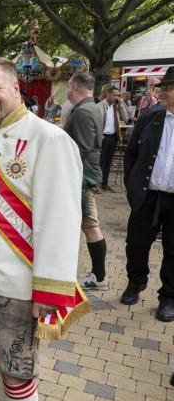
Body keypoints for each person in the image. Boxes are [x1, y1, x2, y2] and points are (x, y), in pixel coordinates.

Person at [0, 57, 88, 401]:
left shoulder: (49, 139)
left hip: (20, 281)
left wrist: (50, 287)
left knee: (17, 370)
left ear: (16, 89)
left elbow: (60, 219)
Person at [121, 66, 174, 322]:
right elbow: (130, 154)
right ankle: (136, 282)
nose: (161, 92)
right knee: (136, 245)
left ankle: (169, 297)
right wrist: (131, 187)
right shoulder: (150, 119)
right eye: (162, 87)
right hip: (147, 197)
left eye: (168, 88)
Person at [65, 72, 109, 290]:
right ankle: (98, 274)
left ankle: (99, 277)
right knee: (89, 224)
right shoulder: (93, 107)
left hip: (83, 177)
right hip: (87, 175)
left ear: (73, 86)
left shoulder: (83, 111)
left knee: (91, 225)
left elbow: (79, 149)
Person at [97, 85, 129, 192]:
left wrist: (121, 105)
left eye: (118, 95)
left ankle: (104, 183)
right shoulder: (100, 106)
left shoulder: (117, 106)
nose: (117, 97)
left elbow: (126, 118)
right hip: (103, 137)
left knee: (108, 162)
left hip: (113, 137)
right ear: (108, 94)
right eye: (115, 95)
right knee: (100, 162)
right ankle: (96, 183)